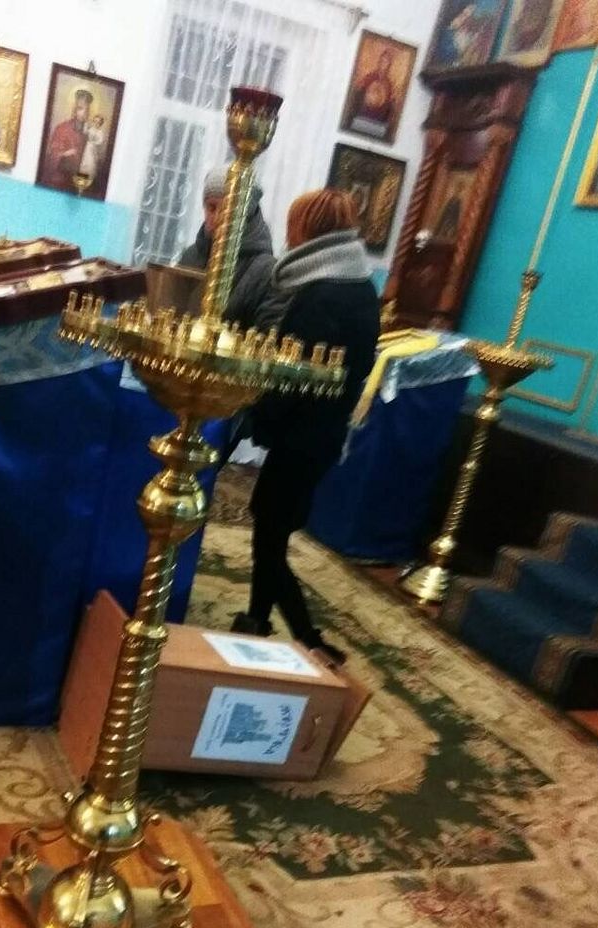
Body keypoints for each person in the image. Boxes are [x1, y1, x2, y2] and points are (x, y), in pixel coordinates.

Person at [231, 189, 380, 664]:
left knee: (269, 540)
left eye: (294, 223)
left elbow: (294, 375)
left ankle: (311, 641)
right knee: (272, 527)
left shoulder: (322, 295)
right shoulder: (359, 286)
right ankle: (256, 618)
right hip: (323, 433)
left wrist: (257, 415)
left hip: (302, 435)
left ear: (308, 230)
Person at [178, 166, 282, 332]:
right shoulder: (191, 256)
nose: (217, 218)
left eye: (228, 210)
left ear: (246, 214)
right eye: (211, 207)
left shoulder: (267, 272)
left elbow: (263, 338)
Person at [42, 88, 93, 191]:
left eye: (87, 110)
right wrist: (66, 153)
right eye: (80, 109)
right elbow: (52, 154)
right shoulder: (62, 128)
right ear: (74, 109)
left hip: (78, 180)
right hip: (60, 178)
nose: (84, 113)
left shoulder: (89, 132)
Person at [347, 48, 396, 138]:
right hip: (363, 116)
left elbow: (388, 104)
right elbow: (359, 93)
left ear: (389, 65)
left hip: (377, 122)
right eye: (382, 61)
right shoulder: (369, 77)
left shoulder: (388, 84)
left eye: (386, 62)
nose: (384, 65)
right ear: (379, 62)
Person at [78, 114, 105, 182]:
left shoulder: (100, 132)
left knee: (91, 162)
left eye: (98, 122)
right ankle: (82, 178)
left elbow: (100, 141)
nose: (96, 123)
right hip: (87, 147)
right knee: (85, 162)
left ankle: (90, 179)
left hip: (93, 149)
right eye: (95, 121)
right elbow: (85, 132)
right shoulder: (91, 129)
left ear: (100, 123)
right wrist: (86, 124)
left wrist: (93, 142)